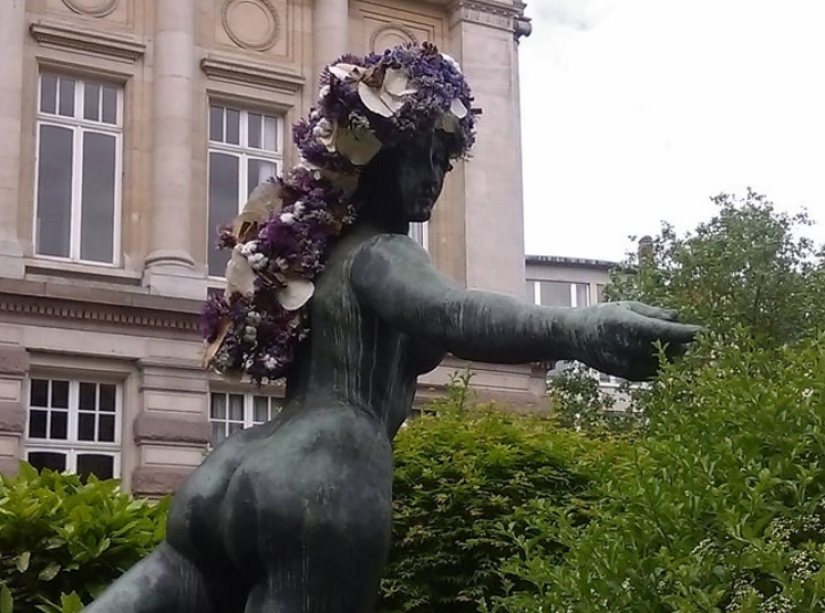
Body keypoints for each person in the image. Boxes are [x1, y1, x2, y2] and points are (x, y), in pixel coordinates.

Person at [82, 43, 699, 613]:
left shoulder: (321, 258)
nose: (434, 174)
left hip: (231, 468)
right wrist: (578, 328)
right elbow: (452, 314)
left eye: (443, 160)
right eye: (420, 157)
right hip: (327, 469)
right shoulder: (381, 253)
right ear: (374, 153)